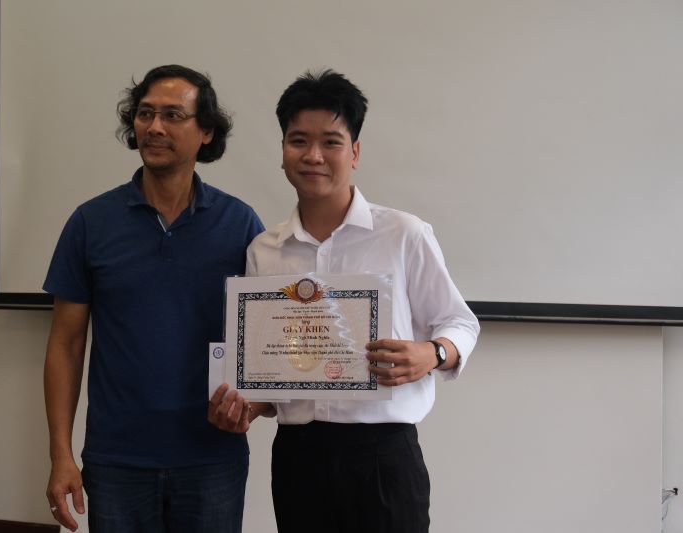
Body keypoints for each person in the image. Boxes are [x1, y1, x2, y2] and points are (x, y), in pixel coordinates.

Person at [209, 70, 480, 533]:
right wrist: (247, 406)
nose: (313, 155)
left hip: (383, 457)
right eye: (298, 141)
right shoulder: (264, 251)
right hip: (299, 458)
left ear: (354, 152)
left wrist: (431, 353)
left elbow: (460, 322)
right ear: (282, 150)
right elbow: (270, 376)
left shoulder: (403, 234)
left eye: (330, 142)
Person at [43, 64, 263, 533]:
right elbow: (65, 345)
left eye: (172, 115)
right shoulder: (90, 223)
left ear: (206, 131)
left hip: (212, 458)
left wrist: (255, 405)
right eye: (145, 114)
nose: (154, 127)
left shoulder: (240, 224)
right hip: (116, 459)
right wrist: (60, 454)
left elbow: (265, 339)